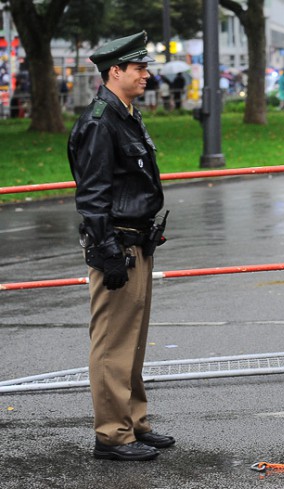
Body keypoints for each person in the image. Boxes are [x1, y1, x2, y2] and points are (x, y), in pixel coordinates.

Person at [67, 31, 174, 462]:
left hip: (137, 242)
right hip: (117, 245)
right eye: (139, 68)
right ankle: (112, 435)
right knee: (113, 343)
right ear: (116, 71)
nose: (146, 74)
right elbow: (92, 195)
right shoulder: (99, 120)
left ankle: (133, 422)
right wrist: (107, 250)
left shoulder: (125, 113)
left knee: (132, 341)